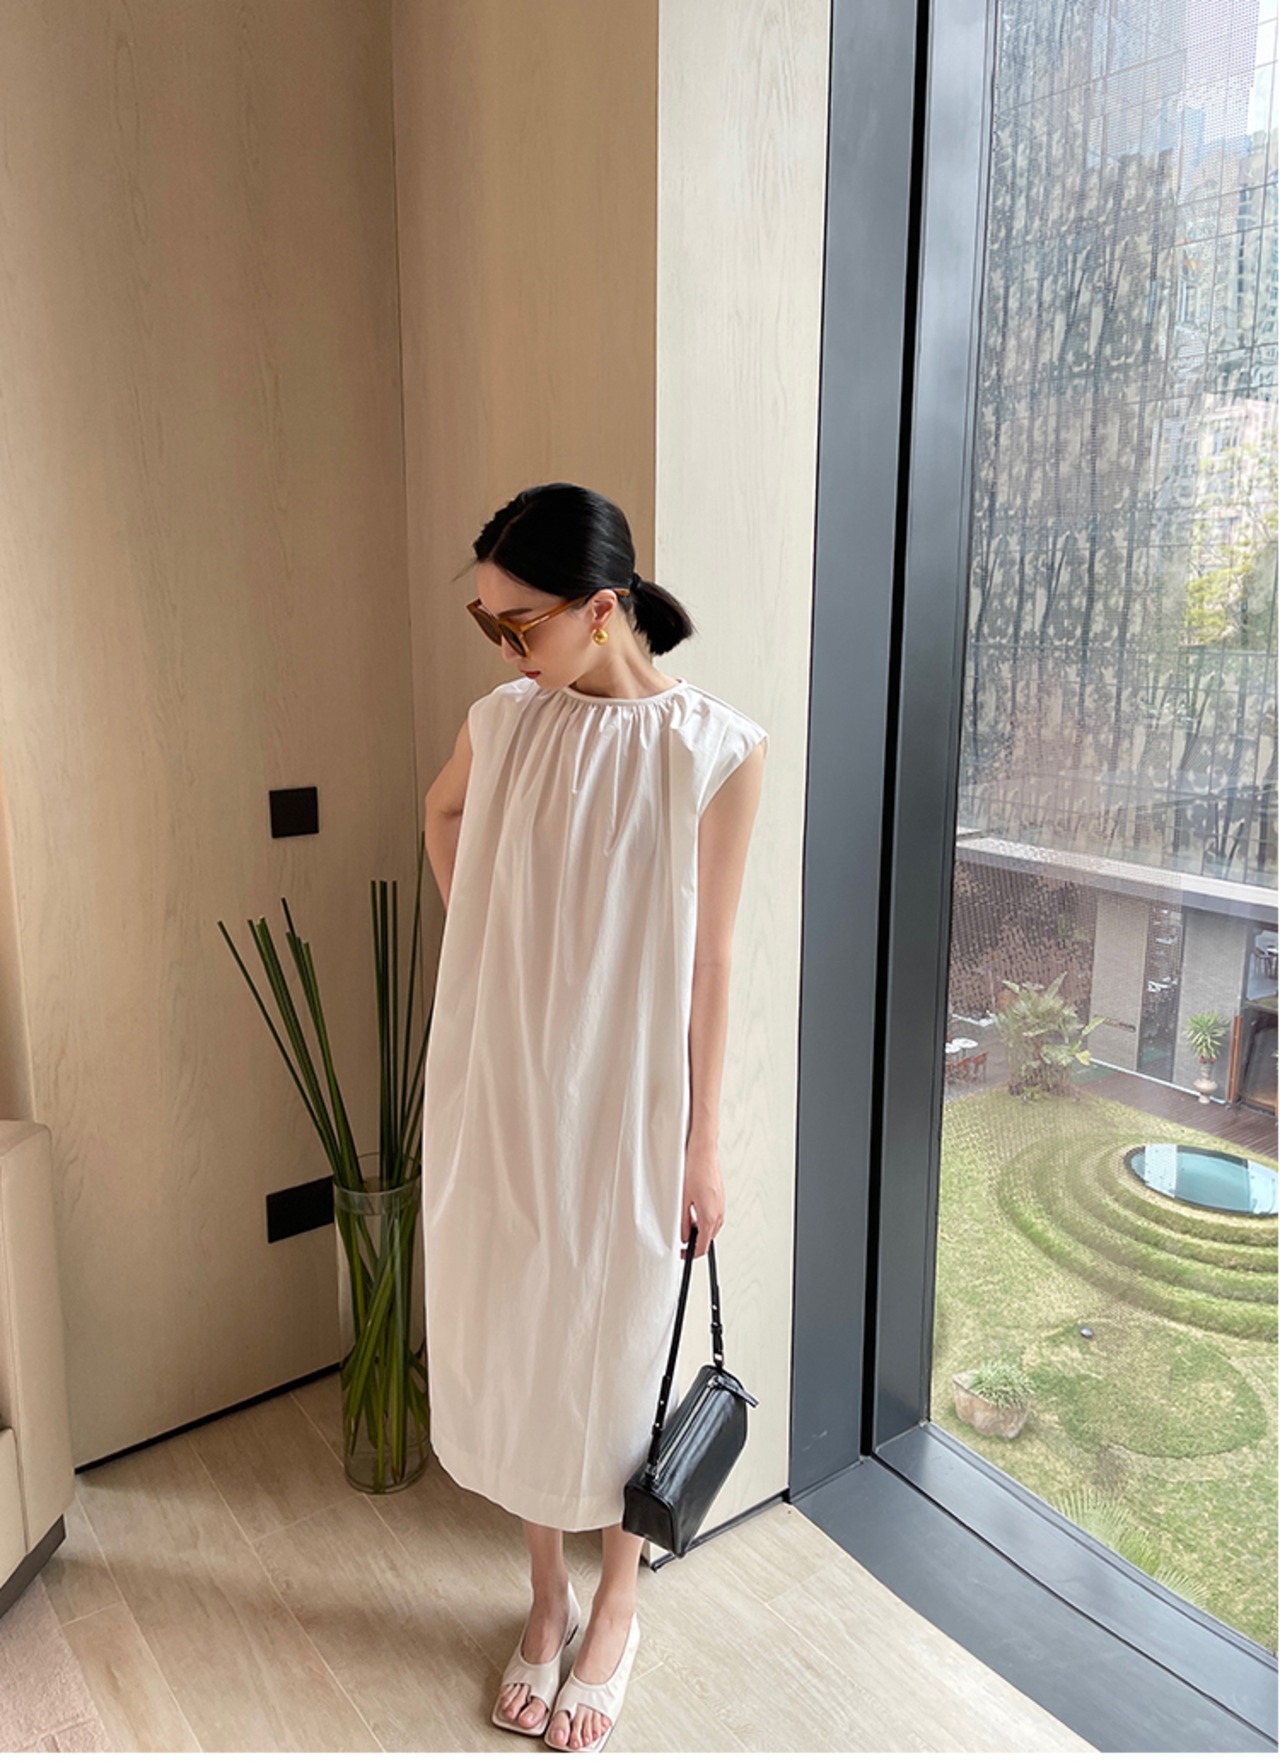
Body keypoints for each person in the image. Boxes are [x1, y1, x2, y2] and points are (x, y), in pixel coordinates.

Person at [421, 482, 767, 1751]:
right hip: (506, 1080)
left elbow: (712, 959)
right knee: (519, 1323)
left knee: (623, 1348)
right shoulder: (505, 721)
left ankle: (617, 1598)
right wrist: (488, 947)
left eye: (519, 623)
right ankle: (545, 1593)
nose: (504, 646)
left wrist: (702, 1140)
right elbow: (439, 812)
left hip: (632, 1098)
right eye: (489, 622)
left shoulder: (713, 748)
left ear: (603, 608)